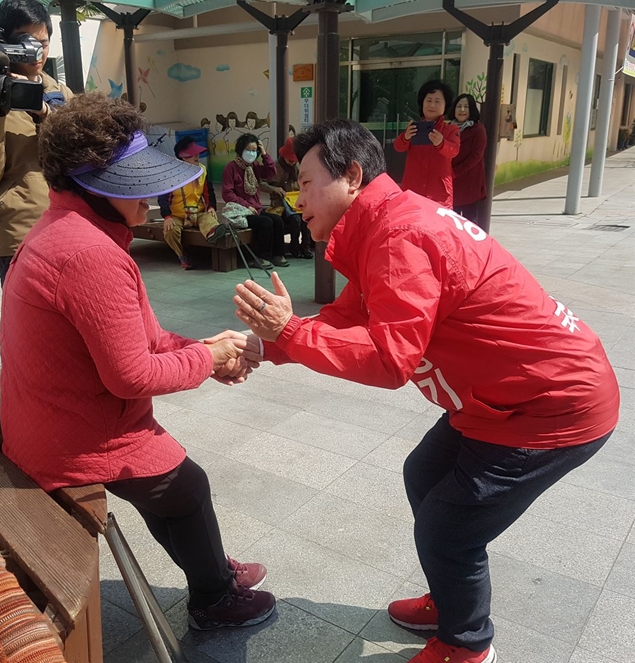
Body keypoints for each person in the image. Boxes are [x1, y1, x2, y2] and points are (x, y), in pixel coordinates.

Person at [229, 119, 619, 663]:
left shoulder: (400, 234)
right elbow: (350, 316)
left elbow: (390, 361)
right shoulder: (385, 223)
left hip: (548, 406)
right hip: (504, 396)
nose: (299, 198)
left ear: (353, 176)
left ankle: (468, 645)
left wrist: (290, 331)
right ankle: (453, 597)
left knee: (448, 526)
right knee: (426, 476)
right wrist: (265, 347)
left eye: (309, 182)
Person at [0, 93, 276, 631]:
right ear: (93, 188)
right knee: (185, 486)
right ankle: (214, 600)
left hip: (50, 416)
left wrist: (204, 350)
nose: (154, 194)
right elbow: (130, 374)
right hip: (70, 436)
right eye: (137, 184)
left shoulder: (66, 229)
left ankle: (211, 567)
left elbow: (140, 337)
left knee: (174, 489)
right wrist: (209, 357)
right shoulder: (89, 254)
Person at [0, 0, 73, 286]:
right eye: (27, 43)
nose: (37, 52)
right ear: (5, 42)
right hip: (20, 240)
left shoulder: (59, 92)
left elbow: (83, 155)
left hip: (73, 231)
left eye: (44, 43)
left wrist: (46, 112)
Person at [222, 133, 289, 270]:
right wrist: (246, 206)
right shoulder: (231, 168)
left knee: (277, 220)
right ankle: (260, 257)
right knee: (265, 222)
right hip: (241, 211)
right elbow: (227, 194)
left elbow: (271, 172)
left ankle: (277, 255)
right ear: (241, 150)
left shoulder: (255, 166)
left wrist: (264, 153)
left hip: (255, 209)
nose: (251, 153)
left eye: (254, 150)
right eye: (249, 150)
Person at [158, 137, 226, 270]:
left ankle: (214, 233)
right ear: (183, 157)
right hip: (177, 215)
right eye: (193, 153)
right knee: (170, 231)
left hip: (198, 212)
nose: (197, 156)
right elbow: (163, 198)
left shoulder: (202, 170)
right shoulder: (170, 174)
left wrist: (211, 207)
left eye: (197, 153)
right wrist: (167, 217)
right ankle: (182, 256)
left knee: (209, 220)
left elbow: (209, 192)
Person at [394, 80, 459, 209]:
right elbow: (398, 147)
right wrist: (405, 137)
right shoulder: (414, 128)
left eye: (437, 101)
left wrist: (441, 143)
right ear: (422, 103)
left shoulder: (451, 130)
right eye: (428, 100)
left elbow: (454, 151)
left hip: (439, 194)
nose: (432, 105)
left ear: (445, 105)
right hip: (413, 190)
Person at [261, 137, 313, 259]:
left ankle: (305, 247)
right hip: (281, 205)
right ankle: (294, 248)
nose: (292, 162)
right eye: (290, 160)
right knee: (295, 220)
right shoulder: (274, 167)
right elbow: (261, 183)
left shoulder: (298, 167)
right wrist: (274, 189)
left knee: (307, 218)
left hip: (296, 203)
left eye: (294, 161)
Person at [447, 94, 487, 226]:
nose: (462, 110)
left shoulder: (478, 129)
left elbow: (476, 156)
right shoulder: (448, 128)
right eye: (459, 106)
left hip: (470, 183)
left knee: (470, 223)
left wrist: (456, 171)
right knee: (453, 222)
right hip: (451, 182)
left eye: (466, 106)